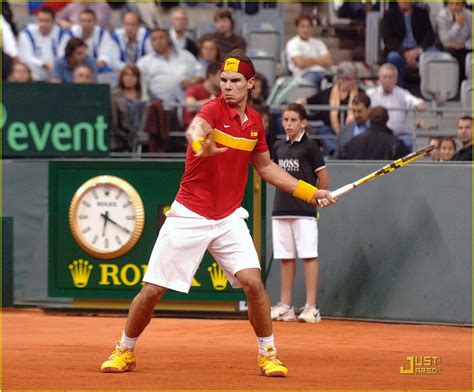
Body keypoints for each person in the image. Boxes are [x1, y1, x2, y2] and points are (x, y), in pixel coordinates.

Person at [100, 50, 337, 377]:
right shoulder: (211, 108)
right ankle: (124, 350)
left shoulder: (255, 122)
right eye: (224, 80)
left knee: (254, 284)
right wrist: (200, 142)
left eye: (235, 81)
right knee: (152, 290)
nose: (227, 86)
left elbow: (266, 168)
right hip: (189, 214)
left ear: (250, 84)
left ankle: (268, 353)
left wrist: (311, 192)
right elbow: (195, 129)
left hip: (227, 218)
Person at [270, 103, 329, 324]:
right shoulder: (278, 147)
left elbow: (323, 179)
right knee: (285, 257)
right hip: (281, 209)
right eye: (285, 120)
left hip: (304, 211)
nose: (288, 124)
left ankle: (311, 307)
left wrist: (317, 196)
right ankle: (286, 306)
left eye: (293, 120)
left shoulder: (311, 147)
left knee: (308, 256)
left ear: (303, 122)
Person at [297, 62, 361, 155]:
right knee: (324, 131)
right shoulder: (328, 93)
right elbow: (308, 100)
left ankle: (346, 152)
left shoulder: (360, 93)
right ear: (340, 79)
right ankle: (335, 153)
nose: (352, 82)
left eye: (353, 79)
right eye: (348, 79)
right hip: (330, 130)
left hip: (353, 128)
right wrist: (298, 103)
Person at [366, 63, 425, 151]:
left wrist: (418, 104)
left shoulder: (402, 93)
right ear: (379, 79)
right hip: (377, 134)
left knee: (408, 141)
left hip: (400, 135)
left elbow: (413, 100)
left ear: (396, 79)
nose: (387, 80)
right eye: (384, 77)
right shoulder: (370, 94)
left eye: (390, 77)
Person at [381, 0, 437, 87]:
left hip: (419, 49)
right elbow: (388, 40)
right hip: (399, 50)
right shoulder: (389, 14)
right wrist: (405, 53)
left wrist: (418, 51)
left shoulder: (422, 13)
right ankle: (399, 90)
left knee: (435, 55)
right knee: (393, 57)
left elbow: (430, 37)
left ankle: (432, 90)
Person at [137, 28, 201, 102]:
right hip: (160, 107)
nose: (158, 41)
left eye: (161, 38)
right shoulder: (144, 62)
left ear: (168, 39)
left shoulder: (186, 55)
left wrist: (193, 82)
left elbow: (201, 73)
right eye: (154, 39)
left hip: (187, 104)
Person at [18, 7, 72, 81]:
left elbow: (62, 55)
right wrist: (43, 64)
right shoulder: (26, 33)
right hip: (33, 76)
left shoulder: (63, 34)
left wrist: (54, 68)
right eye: (41, 20)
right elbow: (26, 56)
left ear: (53, 21)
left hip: (56, 75)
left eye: (47, 21)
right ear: (37, 20)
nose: (44, 24)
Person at [340, 106, 410, 160]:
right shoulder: (395, 144)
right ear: (387, 119)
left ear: (370, 119)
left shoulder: (354, 142)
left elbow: (339, 160)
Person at [286, 14, 333, 88]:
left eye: (308, 27)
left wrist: (309, 59)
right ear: (297, 28)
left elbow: (329, 61)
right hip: (304, 74)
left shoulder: (318, 43)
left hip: (323, 73)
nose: (306, 30)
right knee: (316, 80)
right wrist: (320, 60)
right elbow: (301, 63)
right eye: (302, 26)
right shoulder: (292, 44)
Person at [110, 65, 146, 152]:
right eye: (126, 75)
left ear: (138, 78)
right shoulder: (113, 96)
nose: (129, 78)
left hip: (141, 133)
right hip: (120, 137)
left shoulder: (145, 96)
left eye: (133, 75)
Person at [437, 0, 472, 81]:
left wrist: (464, 45)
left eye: (458, 4)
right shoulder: (442, 16)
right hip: (447, 46)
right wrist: (457, 25)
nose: (454, 7)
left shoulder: (470, 15)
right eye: (451, 4)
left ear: (463, 5)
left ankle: (466, 85)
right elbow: (445, 40)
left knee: (467, 56)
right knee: (451, 53)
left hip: (464, 46)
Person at [183, 62, 221, 129]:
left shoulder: (224, 91)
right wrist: (213, 101)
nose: (223, 79)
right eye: (220, 76)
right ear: (211, 76)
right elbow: (191, 107)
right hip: (194, 128)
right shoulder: (194, 89)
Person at [337, 92, 372, 157]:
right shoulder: (345, 131)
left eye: (359, 111)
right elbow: (338, 156)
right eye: (353, 111)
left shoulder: (378, 130)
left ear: (369, 109)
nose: (356, 115)